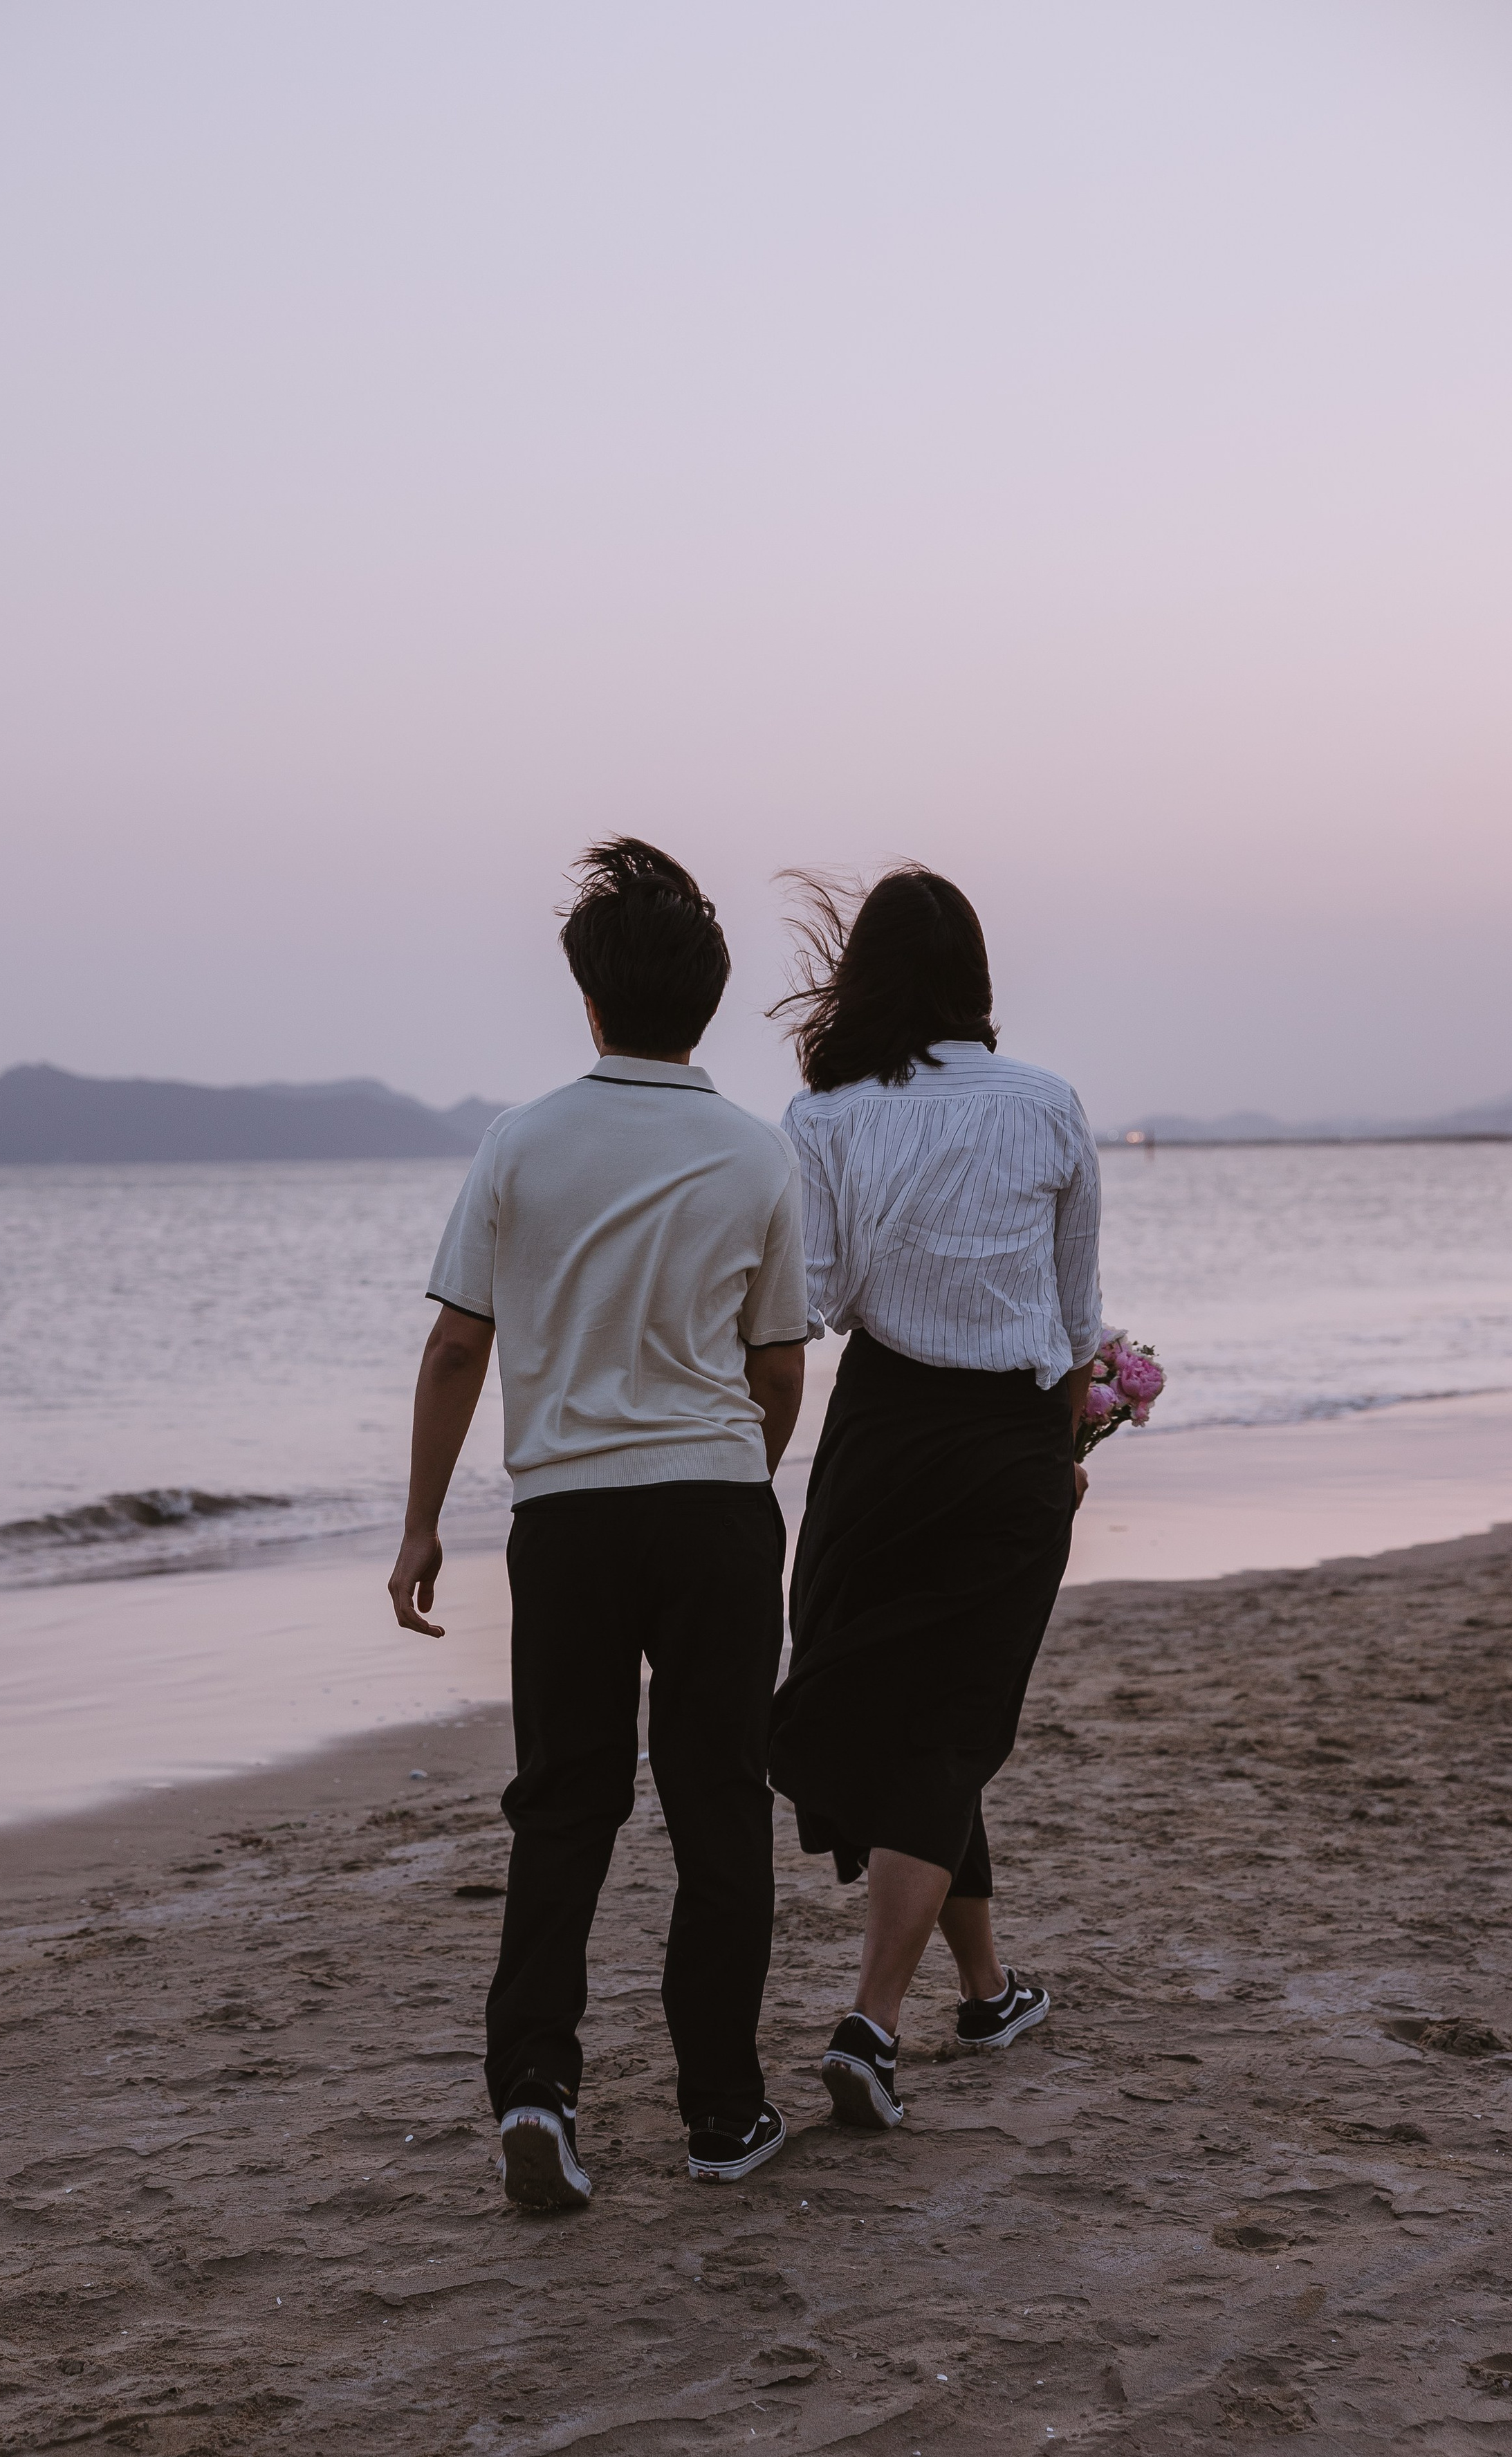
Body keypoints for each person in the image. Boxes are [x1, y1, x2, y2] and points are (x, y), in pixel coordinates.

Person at [387, 838, 810, 2209]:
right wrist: (745, 1477)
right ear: (705, 1001)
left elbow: (457, 1348)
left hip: (564, 1517)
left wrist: (418, 1528)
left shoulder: (521, 1140)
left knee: (561, 1806)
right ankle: (722, 2114)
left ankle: (535, 2093)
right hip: (711, 1510)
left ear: (586, 996)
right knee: (715, 1812)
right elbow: (777, 1365)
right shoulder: (753, 1157)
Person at [766, 865, 1101, 2133]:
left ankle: (987, 1991)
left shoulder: (828, 1117)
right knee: (949, 1723)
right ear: (978, 983)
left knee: (922, 1715)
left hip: (883, 1439)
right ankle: (872, 2025)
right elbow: (1075, 1315)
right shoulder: (1053, 1102)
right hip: (1009, 1448)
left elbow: (816, 1299)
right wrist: (1064, 1442)